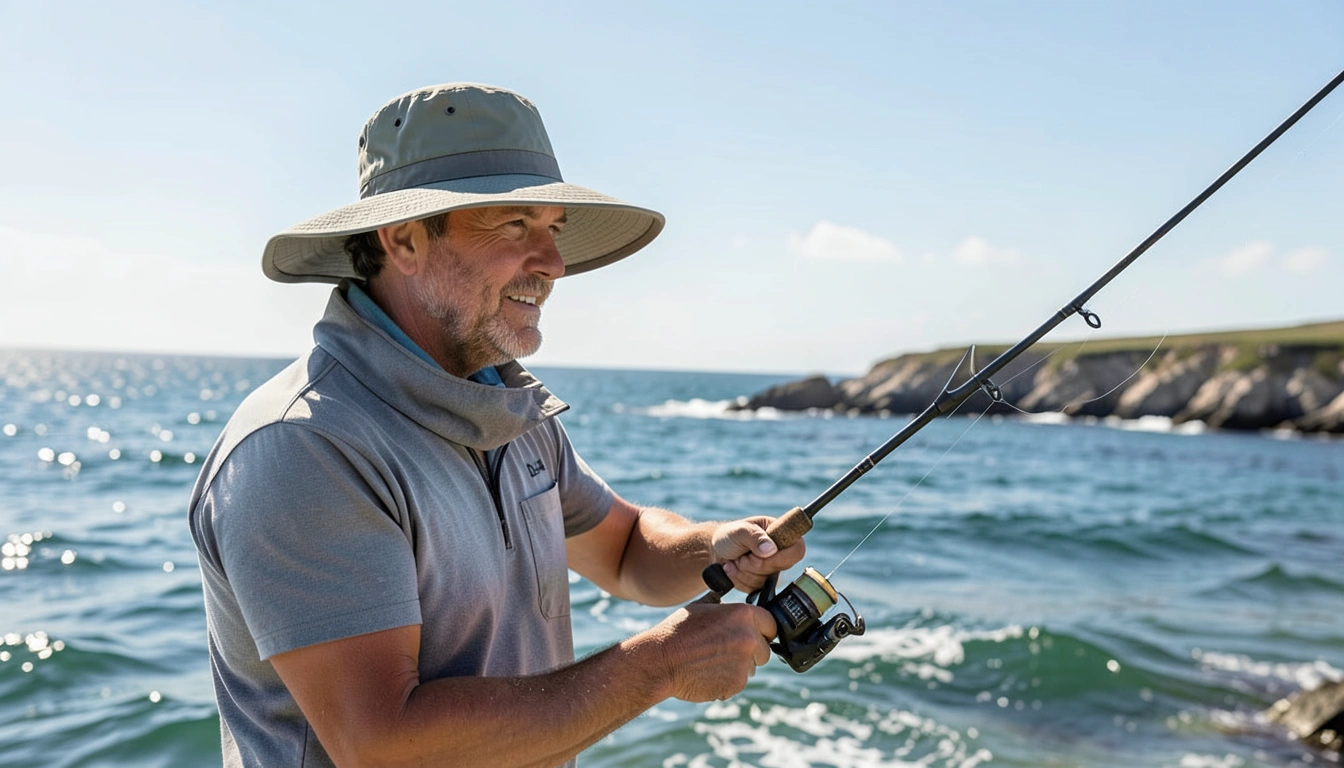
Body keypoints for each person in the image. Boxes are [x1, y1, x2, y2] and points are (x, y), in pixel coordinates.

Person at [188, 82, 804, 768]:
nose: (554, 263)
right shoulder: (304, 444)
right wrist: (659, 666)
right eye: (516, 226)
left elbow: (626, 549)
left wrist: (714, 545)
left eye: (553, 229)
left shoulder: (508, 408)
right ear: (403, 238)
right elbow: (384, 746)